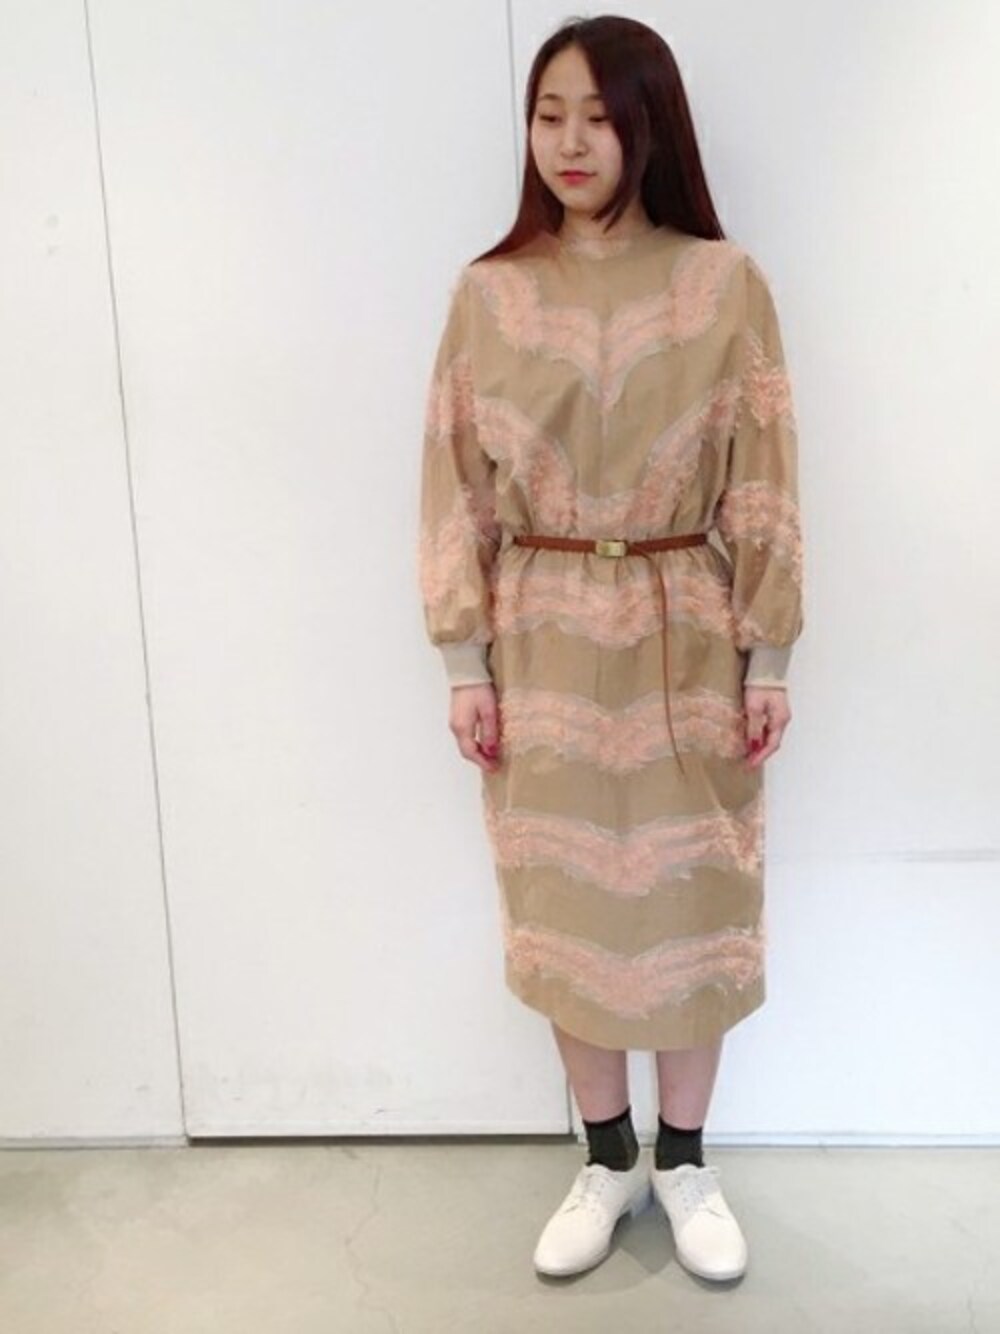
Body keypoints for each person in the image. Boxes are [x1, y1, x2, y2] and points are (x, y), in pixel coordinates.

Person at [417, 14, 804, 1284]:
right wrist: (465, 661)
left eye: (597, 114)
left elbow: (764, 473)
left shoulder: (724, 281)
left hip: (686, 627)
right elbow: (453, 479)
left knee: (692, 896)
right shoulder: (488, 292)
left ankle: (684, 1161)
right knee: (568, 903)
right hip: (540, 639)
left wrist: (768, 652)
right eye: (548, 115)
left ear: (649, 124)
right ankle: (605, 1157)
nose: (569, 142)